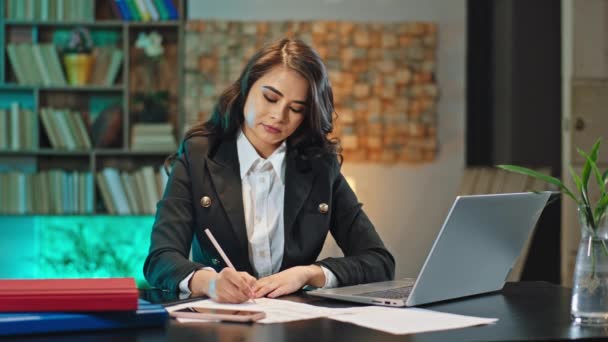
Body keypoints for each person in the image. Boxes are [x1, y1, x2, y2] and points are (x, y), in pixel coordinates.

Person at [143, 38, 395, 304]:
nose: (279, 115)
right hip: (220, 323)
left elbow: (379, 261)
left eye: (296, 108)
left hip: (296, 324)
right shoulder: (198, 155)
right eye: (270, 98)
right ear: (246, 87)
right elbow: (160, 259)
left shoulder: (321, 166)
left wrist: (309, 274)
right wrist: (208, 282)